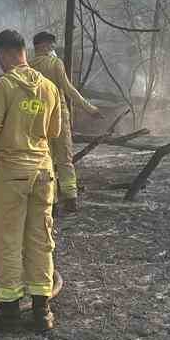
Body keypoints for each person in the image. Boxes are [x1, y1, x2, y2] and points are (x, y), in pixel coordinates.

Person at [0, 28, 62, 335]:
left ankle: (8, 310)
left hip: (12, 173)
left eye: (0, 58)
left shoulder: (2, 86)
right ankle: (41, 311)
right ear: (24, 51)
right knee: (41, 239)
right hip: (44, 173)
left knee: (8, 239)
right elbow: (55, 131)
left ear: (4, 54)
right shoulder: (49, 87)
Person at [31, 30, 102, 214]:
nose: (54, 49)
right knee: (65, 159)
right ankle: (70, 198)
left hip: (38, 117)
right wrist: (90, 108)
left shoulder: (29, 67)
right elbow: (69, 89)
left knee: (46, 159)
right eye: (52, 45)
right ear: (45, 46)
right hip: (59, 116)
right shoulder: (55, 63)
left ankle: (51, 201)